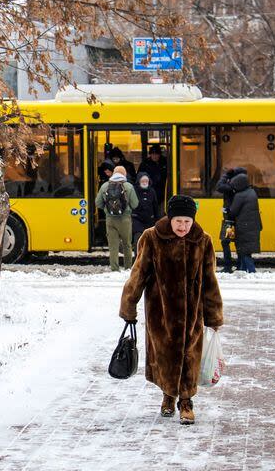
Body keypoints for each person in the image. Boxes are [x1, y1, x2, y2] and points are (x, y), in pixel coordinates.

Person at [119, 195, 223, 424]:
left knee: (189, 356)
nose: (183, 227)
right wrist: (129, 305)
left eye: (187, 222)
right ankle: (168, 395)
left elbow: (210, 280)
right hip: (161, 313)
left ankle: (186, 402)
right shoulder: (152, 238)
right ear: (170, 218)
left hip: (192, 314)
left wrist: (213, 315)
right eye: (179, 221)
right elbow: (139, 274)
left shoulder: (202, 241)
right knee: (165, 357)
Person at [96, 166, 139, 271]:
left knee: (113, 246)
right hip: (125, 219)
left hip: (110, 219)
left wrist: (108, 210)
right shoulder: (128, 186)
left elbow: (98, 203)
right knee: (127, 245)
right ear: (124, 174)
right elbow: (135, 204)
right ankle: (128, 268)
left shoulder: (105, 186)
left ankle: (115, 269)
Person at [215, 166, 247, 273]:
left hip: (230, 219)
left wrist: (226, 175)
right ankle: (239, 265)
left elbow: (219, 186)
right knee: (238, 243)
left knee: (225, 242)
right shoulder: (243, 188)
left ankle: (228, 266)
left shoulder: (231, 187)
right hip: (239, 218)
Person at [228, 173, 262, 273]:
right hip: (252, 225)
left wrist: (227, 210)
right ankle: (242, 270)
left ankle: (252, 271)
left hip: (243, 226)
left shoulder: (240, 196)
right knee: (245, 250)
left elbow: (233, 211)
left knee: (244, 251)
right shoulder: (252, 192)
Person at [131, 172, 161, 257]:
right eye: (143, 181)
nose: (144, 182)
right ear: (139, 181)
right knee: (138, 237)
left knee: (150, 238)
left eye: (146, 181)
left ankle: (149, 257)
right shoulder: (134, 190)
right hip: (137, 219)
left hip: (149, 220)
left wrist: (157, 219)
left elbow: (155, 206)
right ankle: (138, 256)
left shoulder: (152, 191)